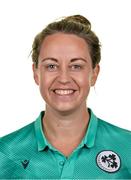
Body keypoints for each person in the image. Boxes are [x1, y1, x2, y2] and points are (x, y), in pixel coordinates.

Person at [0, 14, 131, 179]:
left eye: (76, 66)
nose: (63, 78)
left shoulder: (128, 148)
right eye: (51, 66)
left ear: (94, 74)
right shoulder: (5, 152)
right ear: (36, 73)